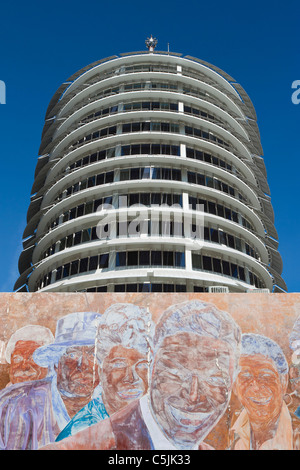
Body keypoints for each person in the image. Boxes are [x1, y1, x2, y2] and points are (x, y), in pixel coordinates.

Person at [41, 300, 241, 450]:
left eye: (215, 379)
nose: (193, 396)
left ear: (233, 379)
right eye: (175, 372)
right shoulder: (85, 441)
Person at [0, 311, 101, 450]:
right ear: (55, 363)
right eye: (72, 354)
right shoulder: (11, 405)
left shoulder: (116, 404)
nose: (83, 365)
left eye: (92, 354)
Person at [55, 303, 154, 441]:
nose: (131, 378)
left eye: (142, 365)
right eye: (119, 364)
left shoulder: (158, 423)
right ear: (101, 369)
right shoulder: (80, 436)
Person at [230, 333, 293, 450]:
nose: (255, 387)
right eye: (245, 376)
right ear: (234, 385)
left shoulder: (296, 434)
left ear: (283, 382)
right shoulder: (235, 430)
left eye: (266, 376)